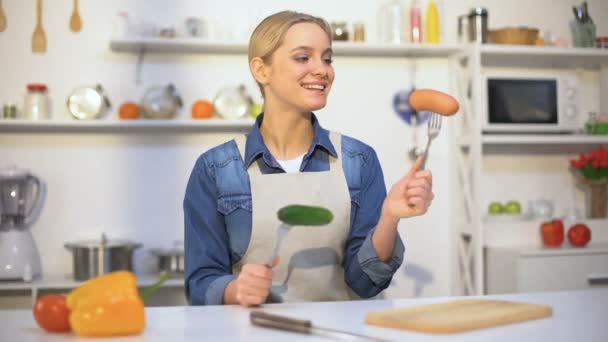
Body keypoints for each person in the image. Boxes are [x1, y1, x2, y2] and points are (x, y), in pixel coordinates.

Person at [183, 10, 434, 307]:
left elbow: (365, 283)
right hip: (250, 330)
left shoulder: (358, 161)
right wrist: (235, 290)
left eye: (327, 58)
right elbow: (200, 281)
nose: (322, 70)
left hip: (337, 331)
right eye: (303, 58)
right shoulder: (216, 169)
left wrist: (390, 217)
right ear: (261, 70)